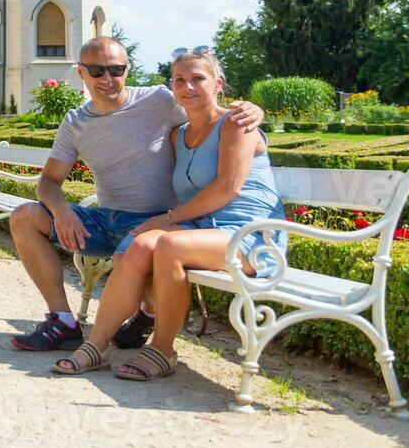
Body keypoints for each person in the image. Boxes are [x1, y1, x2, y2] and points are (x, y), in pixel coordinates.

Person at [7, 36, 264, 353]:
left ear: (127, 69)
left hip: (156, 223)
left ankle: (147, 315)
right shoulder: (75, 122)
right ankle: (63, 322)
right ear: (81, 73)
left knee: (137, 250)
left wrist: (252, 110)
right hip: (104, 220)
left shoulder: (158, 100)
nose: (107, 79)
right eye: (97, 70)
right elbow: (48, 181)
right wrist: (61, 211)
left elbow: (208, 113)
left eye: (116, 69)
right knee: (24, 217)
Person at [52, 48, 285, 380]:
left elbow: (226, 189)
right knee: (139, 246)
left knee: (168, 245)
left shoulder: (237, 124)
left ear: (218, 84)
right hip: (203, 231)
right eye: (179, 80)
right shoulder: (179, 134)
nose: (187, 87)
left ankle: (163, 350)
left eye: (197, 79)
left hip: (251, 237)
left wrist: (168, 219)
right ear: (172, 88)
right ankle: (97, 345)